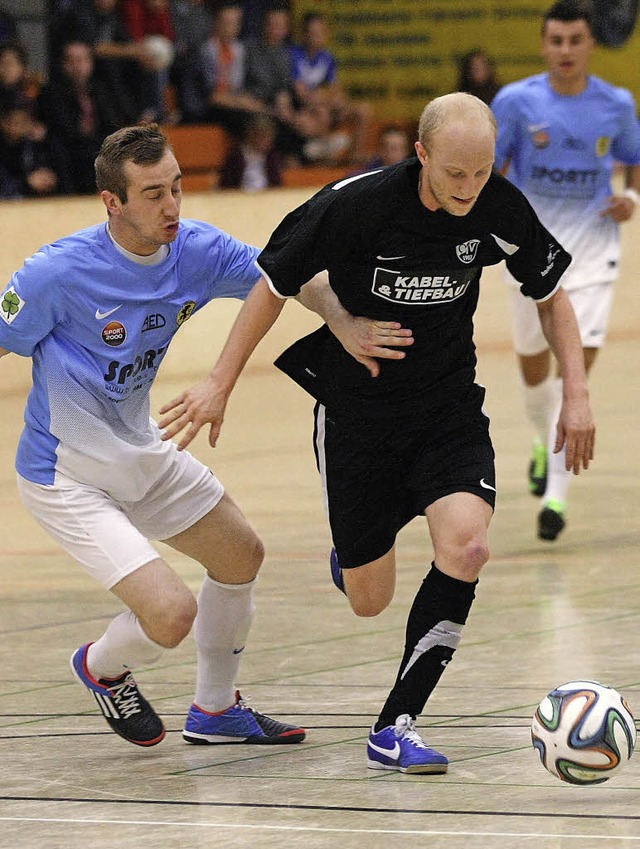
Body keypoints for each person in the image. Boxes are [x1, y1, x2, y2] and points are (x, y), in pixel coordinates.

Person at [158, 92, 595, 774]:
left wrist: (576, 393)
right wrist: (220, 380)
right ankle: (354, 553)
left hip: (447, 410)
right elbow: (274, 283)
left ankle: (395, 723)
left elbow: (551, 294)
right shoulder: (355, 204)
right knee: (370, 599)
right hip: (358, 416)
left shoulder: (496, 206)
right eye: (454, 173)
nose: (467, 188)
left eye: (480, 172)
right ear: (419, 153)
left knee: (468, 543)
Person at [0, 123, 306, 749]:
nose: (170, 207)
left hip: (141, 450)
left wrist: (352, 322)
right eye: (151, 194)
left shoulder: (196, 250)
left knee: (240, 554)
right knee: (170, 616)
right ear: (112, 202)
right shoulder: (54, 274)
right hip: (67, 476)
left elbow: (287, 275)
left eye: (176, 188)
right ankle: (101, 667)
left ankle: (216, 712)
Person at [491, 0, 640, 541]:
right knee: (535, 374)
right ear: (543, 45)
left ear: (590, 44)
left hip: (595, 253)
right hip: (531, 253)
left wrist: (632, 200)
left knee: (574, 376)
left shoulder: (617, 104)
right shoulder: (515, 101)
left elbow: (632, 163)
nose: (565, 51)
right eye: (556, 41)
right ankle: (539, 438)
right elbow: (494, 172)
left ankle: (555, 498)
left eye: (575, 40)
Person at [38, 40, 132, 194]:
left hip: (95, 146)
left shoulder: (100, 90)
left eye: (82, 60)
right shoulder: (52, 92)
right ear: (63, 64)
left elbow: (111, 123)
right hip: (67, 149)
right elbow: (63, 129)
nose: (77, 66)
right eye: (71, 61)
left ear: (90, 63)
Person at [290, 11, 371, 163]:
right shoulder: (295, 55)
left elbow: (336, 91)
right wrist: (324, 98)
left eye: (320, 32)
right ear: (304, 34)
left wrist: (335, 100)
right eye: (312, 33)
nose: (316, 36)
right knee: (322, 113)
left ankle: (354, 156)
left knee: (362, 110)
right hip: (307, 110)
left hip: (326, 106)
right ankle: (324, 156)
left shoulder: (327, 57)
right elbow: (302, 94)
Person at [0, 101, 59, 198]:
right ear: (4, 124)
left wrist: (47, 178)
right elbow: (4, 187)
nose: (22, 127)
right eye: (17, 123)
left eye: (25, 122)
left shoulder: (32, 145)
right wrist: (27, 182)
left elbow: (48, 171)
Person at [219, 113, 283, 190]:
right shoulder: (236, 155)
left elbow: (276, 182)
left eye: (268, 137)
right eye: (262, 136)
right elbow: (227, 183)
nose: (266, 141)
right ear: (252, 135)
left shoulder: (272, 156)